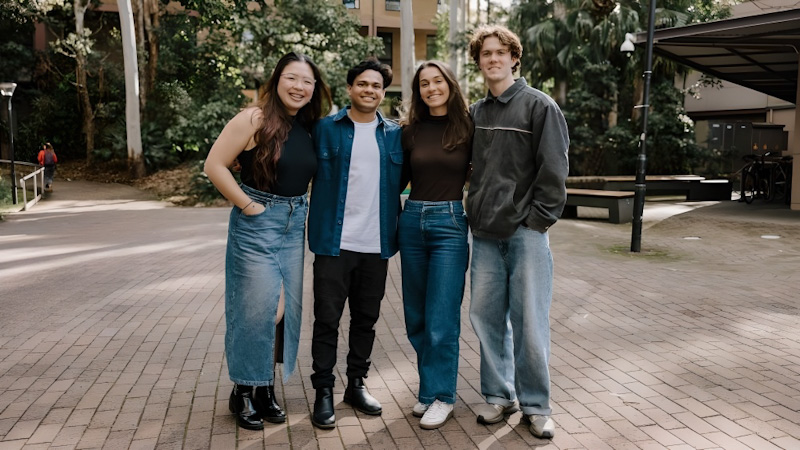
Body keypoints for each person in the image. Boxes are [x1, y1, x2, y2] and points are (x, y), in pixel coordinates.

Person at [204, 52, 331, 431]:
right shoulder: (254, 118)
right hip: (258, 222)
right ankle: (242, 390)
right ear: (277, 80)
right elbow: (214, 165)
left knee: (281, 311)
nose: (299, 87)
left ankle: (263, 388)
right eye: (292, 78)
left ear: (314, 89)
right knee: (256, 309)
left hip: (295, 224)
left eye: (307, 82)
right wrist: (248, 206)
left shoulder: (308, 127)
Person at [466, 25, 569, 439]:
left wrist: (537, 221)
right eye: (485, 54)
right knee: (487, 320)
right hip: (485, 235)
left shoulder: (538, 106)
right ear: (479, 62)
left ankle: (537, 406)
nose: (492, 59)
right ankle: (498, 396)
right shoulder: (476, 112)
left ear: (514, 58)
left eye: (499, 52)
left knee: (529, 323)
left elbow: (555, 170)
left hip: (526, 235)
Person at [306, 58, 403, 429]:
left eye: (376, 86)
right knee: (327, 320)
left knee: (366, 319)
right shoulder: (324, 129)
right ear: (350, 88)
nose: (369, 90)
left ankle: (356, 384)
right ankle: (324, 390)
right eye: (362, 84)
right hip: (333, 244)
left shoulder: (394, 135)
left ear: (383, 92)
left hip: (376, 245)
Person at [397, 61, 472, 429]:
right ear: (418, 91)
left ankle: (443, 396)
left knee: (442, 318)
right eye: (424, 84)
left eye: (437, 81)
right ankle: (428, 392)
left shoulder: (468, 128)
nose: (431, 88)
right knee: (416, 317)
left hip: (450, 224)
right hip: (411, 222)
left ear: (450, 84)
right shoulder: (409, 131)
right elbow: (395, 180)